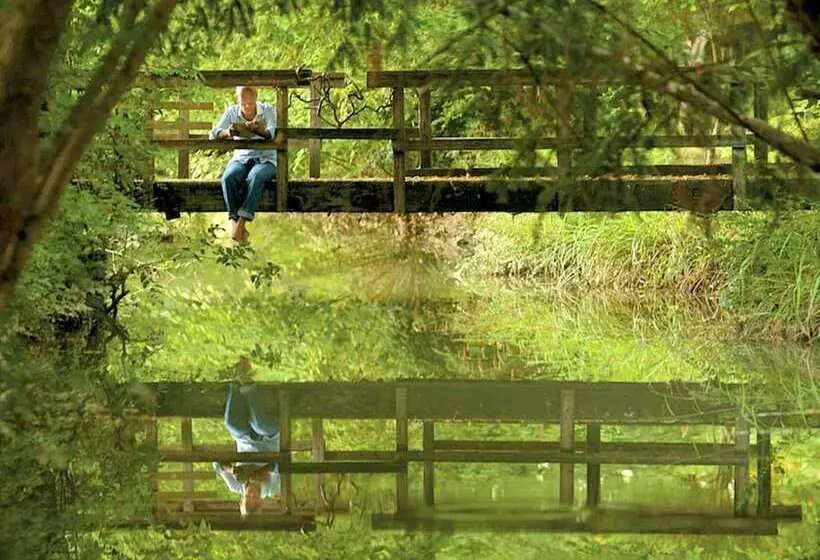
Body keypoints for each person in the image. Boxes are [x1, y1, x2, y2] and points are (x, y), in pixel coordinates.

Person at [208, 86, 277, 244]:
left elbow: (271, 133)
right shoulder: (232, 112)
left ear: (255, 99)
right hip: (241, 158)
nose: (247, 106)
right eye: (243, 103)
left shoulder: (267, 110)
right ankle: (234, 221)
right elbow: (214, 133)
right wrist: (229, 133)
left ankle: (241, 224)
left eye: (250, 103)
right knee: (228, 177)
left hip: (266, 159)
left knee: (256, 176)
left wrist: (259, 130)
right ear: (239, 101)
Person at [212, 358, 279, 516]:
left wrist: (232, 469)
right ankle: (246, 381)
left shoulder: (236, 486)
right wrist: (261, 473)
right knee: (259, 423)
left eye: (247, 500)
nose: (251, 496)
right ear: (261, 501)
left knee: (231, 424)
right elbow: (279, 466)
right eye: (255, 501)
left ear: (241, 500)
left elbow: (217, 465)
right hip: (268, 438)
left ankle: (236, 383)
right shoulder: (271, 489)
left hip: (244, 440)